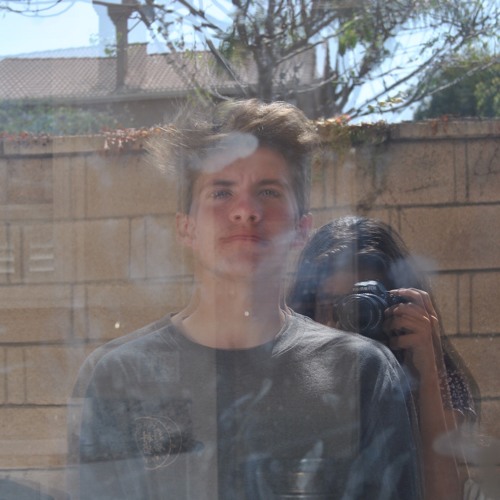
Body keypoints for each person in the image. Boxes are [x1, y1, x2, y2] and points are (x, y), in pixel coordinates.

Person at [76, 100, 423, 499]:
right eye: (221, 192)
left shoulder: (360, 371)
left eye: (269, 191)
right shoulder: (120, 375)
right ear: (186, 227)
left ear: (302, 228)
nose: (245, 210)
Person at [288, 215, 479, 500]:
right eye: (331, 306)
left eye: (362, 304)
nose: (348, 320)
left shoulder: (431, 377)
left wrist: (427, 369)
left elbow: (443, 495)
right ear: (308, 308)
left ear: (394, 304)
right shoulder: (290, 371)